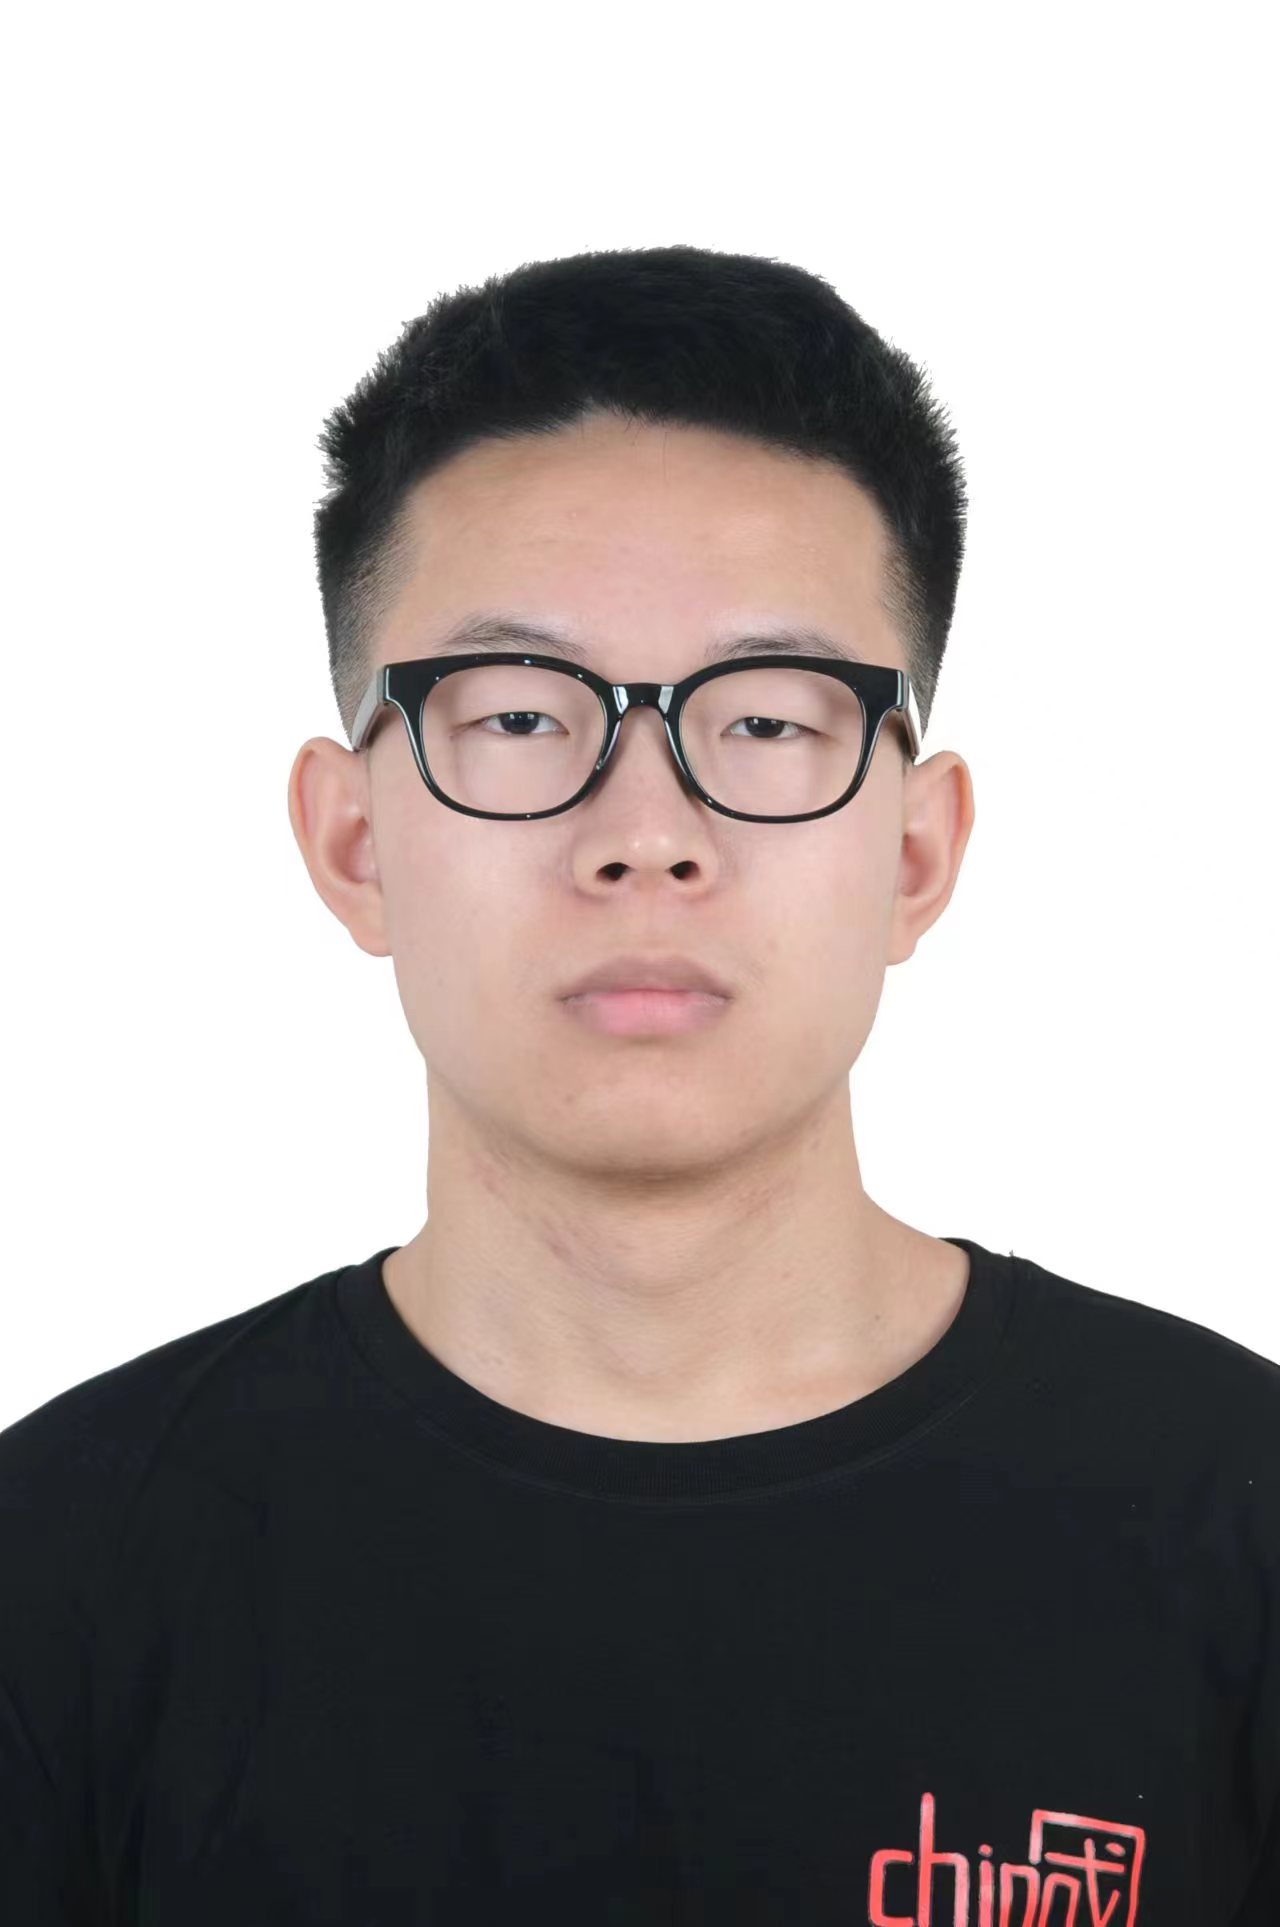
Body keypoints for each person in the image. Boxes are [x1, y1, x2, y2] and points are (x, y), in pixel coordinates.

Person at [2, 243, 1276, 1924]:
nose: (648, 836)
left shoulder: (1236, 1525)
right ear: (353, 839)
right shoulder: (64, 1571)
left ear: (916, 852)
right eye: (523, 718)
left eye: (767, 723)